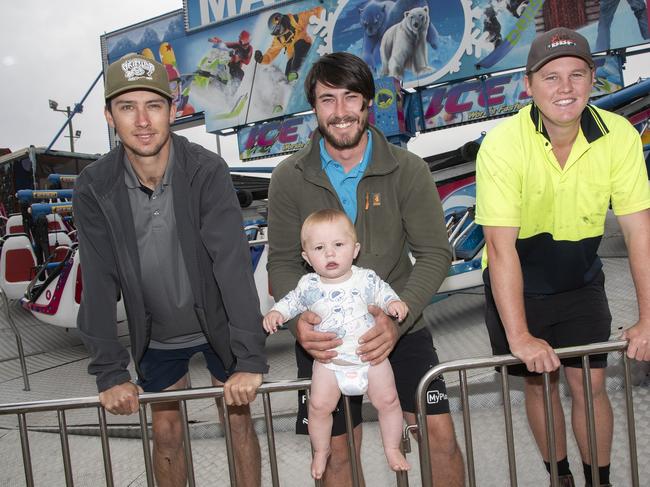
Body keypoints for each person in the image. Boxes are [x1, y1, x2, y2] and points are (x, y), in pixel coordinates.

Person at [267, 52, 465, 486]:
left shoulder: (407, 169)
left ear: (368, 103)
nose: (340, 112)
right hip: (326, 343)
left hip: (401, 330)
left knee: (440, 439)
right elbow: (282, 262)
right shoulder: (288, 178)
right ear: (314, 107)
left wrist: (399, 317)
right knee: (336, 457)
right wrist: (300, 324)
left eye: (350, 98)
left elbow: (434, 252)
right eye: (327, 100)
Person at [74, 53, 268, 487]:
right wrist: (109, 372)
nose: (142, 120)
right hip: (156, 330)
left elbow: (232, 265)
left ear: (173, 110)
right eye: (127, 107)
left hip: (218, 323)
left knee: (238, 422)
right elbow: (99, 281)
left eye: (153, 106)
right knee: (165, 433)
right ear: (109, 115)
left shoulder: (205, 170)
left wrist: (251, 358)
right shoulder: (93, 186)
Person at [475, 27, 650, 487]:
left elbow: (639, 234)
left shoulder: (620, 138)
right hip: (518, 279)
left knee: (589, 384)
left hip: (579, 276)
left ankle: (600, 480)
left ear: (594, 79)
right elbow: (499, 247)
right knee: (538, 380)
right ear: (528, 86)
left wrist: (649, 318)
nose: (565, 88)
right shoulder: (502, 144)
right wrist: (520, 336)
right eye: (551, 77)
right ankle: (561, 477)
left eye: (576, 74)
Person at [264, 209, 410, 479]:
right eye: (319, 248)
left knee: (389, 402)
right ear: (307, 257)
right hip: (330, 362)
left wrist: (393, 303)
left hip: (370, 359)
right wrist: (277, 313)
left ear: (355, 250)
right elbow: (290, 302)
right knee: (319, 407)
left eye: (338, 245)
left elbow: (384, 291)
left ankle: (392, 447)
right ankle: (321, 450)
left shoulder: (365, 278)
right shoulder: (307, 284)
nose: (330, 254)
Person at [253, 7, 324, 82]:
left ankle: (295, 71)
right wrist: (261, 59)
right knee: (288, 69)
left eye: (279, 29)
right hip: (293, 57)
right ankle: (291, 81)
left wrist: (323, 12)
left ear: (284, 21)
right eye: (276, 32)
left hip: (304, 44)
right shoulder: (279, 39)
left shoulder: (296, 20)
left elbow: (311, 14)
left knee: (298, 46)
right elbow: (271, 54)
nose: (279, 33)